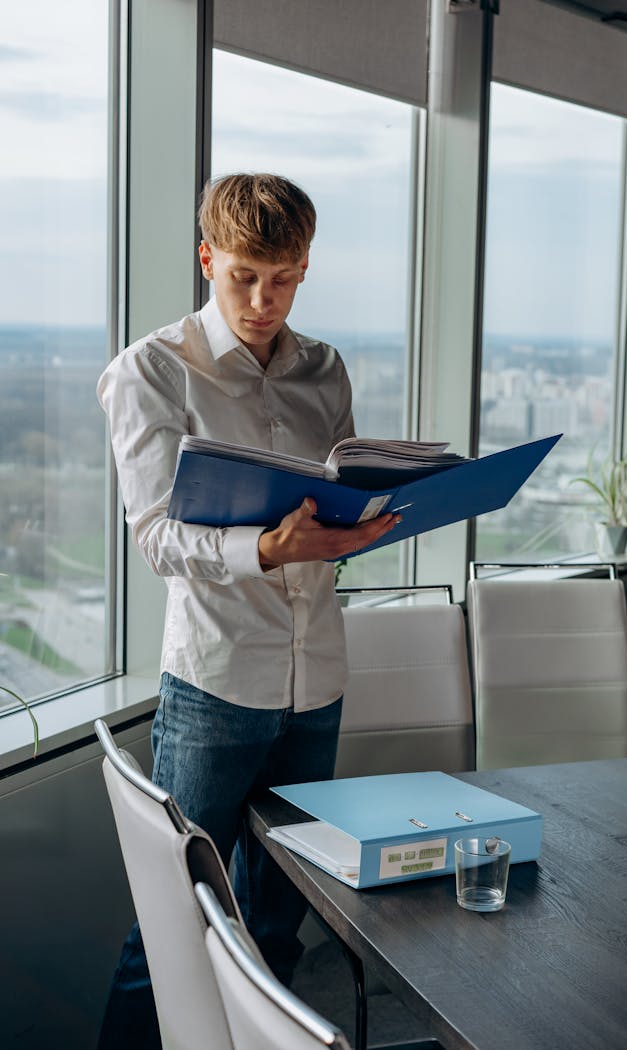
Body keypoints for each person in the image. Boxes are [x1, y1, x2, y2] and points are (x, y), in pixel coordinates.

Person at [96, 173, 400, 1048]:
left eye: (287, 277)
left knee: (277, 926)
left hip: (317, 685)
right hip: (217, 685)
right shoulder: (152, 371)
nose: (265, 300)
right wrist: (264, 550)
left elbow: (330, 497)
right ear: (207, 260)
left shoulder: (323, 368)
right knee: (170, 935)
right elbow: (156, 538)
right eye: (244, 278)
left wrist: (363, 524)